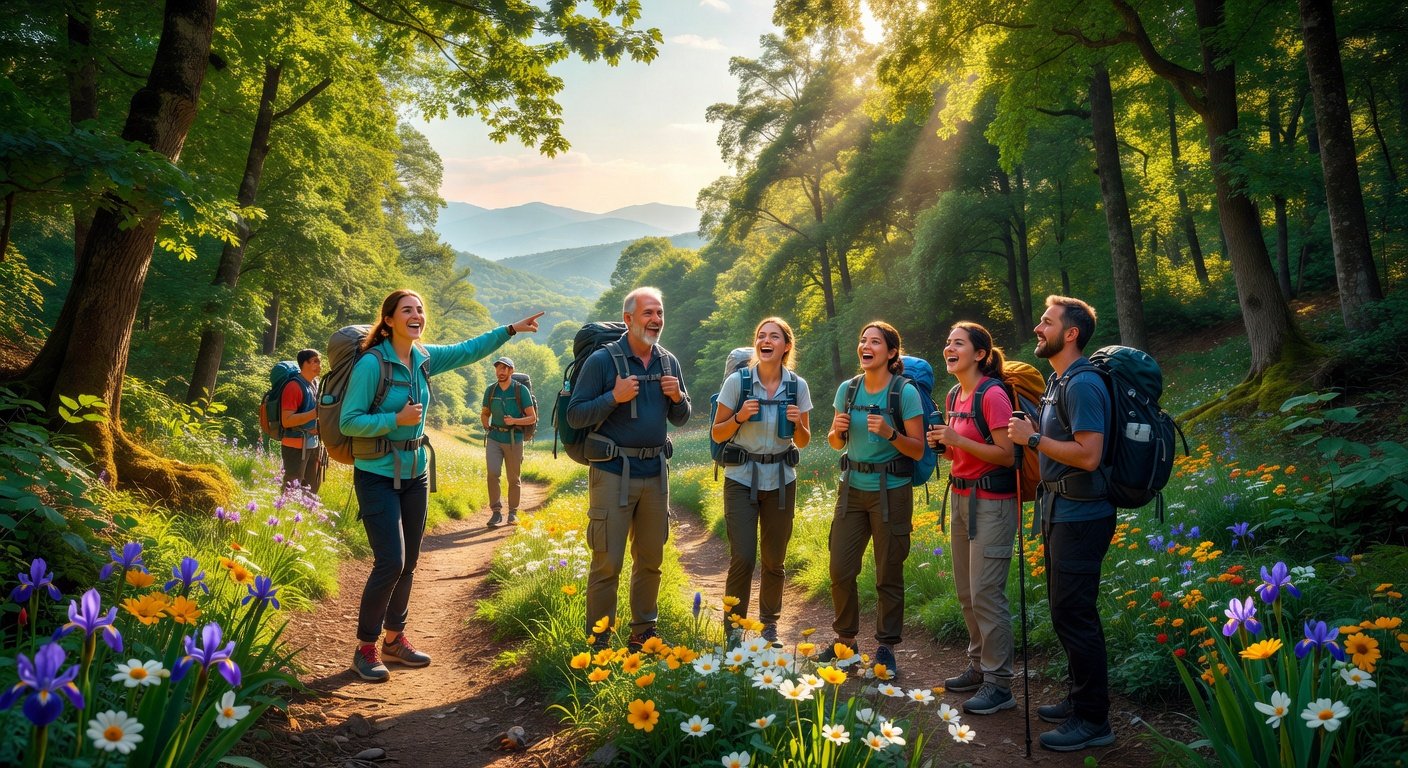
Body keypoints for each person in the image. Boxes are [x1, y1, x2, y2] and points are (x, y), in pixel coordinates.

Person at [341, 288, 543, 682]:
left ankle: (394, 641)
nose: (416, 314)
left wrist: (510, 330)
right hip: (376, 474)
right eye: (407, 310)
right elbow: (349, 421)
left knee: (410, 563)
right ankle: (365, 647)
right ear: (389, 320)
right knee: (390, 562)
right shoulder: (371, 364)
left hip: (415, 473)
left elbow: (468, 349)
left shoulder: (423, 357)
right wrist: (394, 421)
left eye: (420, 309)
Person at [1007, 295, 1116, 752]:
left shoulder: (1082, 383)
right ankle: (1078, 701)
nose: (1038, 328)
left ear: (1070, 333)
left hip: (1083, 515)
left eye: (1046, 322)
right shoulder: (1058, 381)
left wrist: (1032, 438)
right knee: (1064, 611)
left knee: (1075, 614)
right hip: (1060, 512)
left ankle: (1093, 720)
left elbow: (1090, 455)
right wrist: (1035, 429)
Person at [567, 287, 690, 651]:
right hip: (612, 474)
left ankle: (643, 634)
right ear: (628, 319)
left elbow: (681, 418)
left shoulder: (669, 362)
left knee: (651, 560)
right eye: (648, 313)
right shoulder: (603, 361)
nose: (656, 320)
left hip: (655, 473)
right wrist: (613, 398)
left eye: (660, 313)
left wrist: (677, 398)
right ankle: (599, 642)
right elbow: (575, 415)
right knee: (608, 563)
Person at [823, 321, 925, 678]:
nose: (865, 346)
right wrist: (837, 432)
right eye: (862, 340)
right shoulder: (847, 390)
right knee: (840, 568)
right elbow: (836, 443)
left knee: (888, 572)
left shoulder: (904, 393)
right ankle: (846, 641)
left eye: (875, 342)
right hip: (851, 487)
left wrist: (890, 432)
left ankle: (885, 646)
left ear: (891, 352)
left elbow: (917, 449)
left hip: (891, 491)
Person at [927, 322, 1018, 715]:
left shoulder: (992, 393)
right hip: (961, 496)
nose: (949, 348)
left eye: (958, 343)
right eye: (948, 342)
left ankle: (1000, 684)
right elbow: (958, 453)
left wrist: (957, 439)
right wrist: (944, 446)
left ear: (979, 354)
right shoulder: (953, 394)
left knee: (986, 592)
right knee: (967, 591)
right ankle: (979, 665)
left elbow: (1007, 455)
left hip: (994, 501)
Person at [710, 318, 812, 646]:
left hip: (782, 480)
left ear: (786, 346)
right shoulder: (737, 383)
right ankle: (734, 629)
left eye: (773, 336)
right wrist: (738, 416)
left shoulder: (798, 387)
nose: (765, 340)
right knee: (743, 556)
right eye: (760, 336)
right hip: (741, 478)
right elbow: (717, 432)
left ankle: (769, 625)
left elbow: (805, 440)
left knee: (774, 559)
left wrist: (798, 424)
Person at [481, 356, 536, 528]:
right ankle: (496, 512)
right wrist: (486, 425)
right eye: (498, 368)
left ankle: (513, 513)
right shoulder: (491, 391)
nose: (501, 371)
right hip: (494, 438)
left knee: (513, 478)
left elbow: (532, 418)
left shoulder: (520, 391)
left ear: (511, 371)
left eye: (505, 368)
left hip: (514, 439)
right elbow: (485, 413)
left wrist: (514, 421)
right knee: (493, 473)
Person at [280, 349, 324, 494]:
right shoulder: (293, 386)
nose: (320, 365)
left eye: (319, 361)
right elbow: (286, 421)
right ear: (304, 364)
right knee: (292, 487)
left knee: (312, 489)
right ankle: (282, 513)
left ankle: (308, 515)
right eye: (315, 361)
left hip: (312, 444)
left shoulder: (315, 384)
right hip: (295, 446)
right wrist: (314, 414)